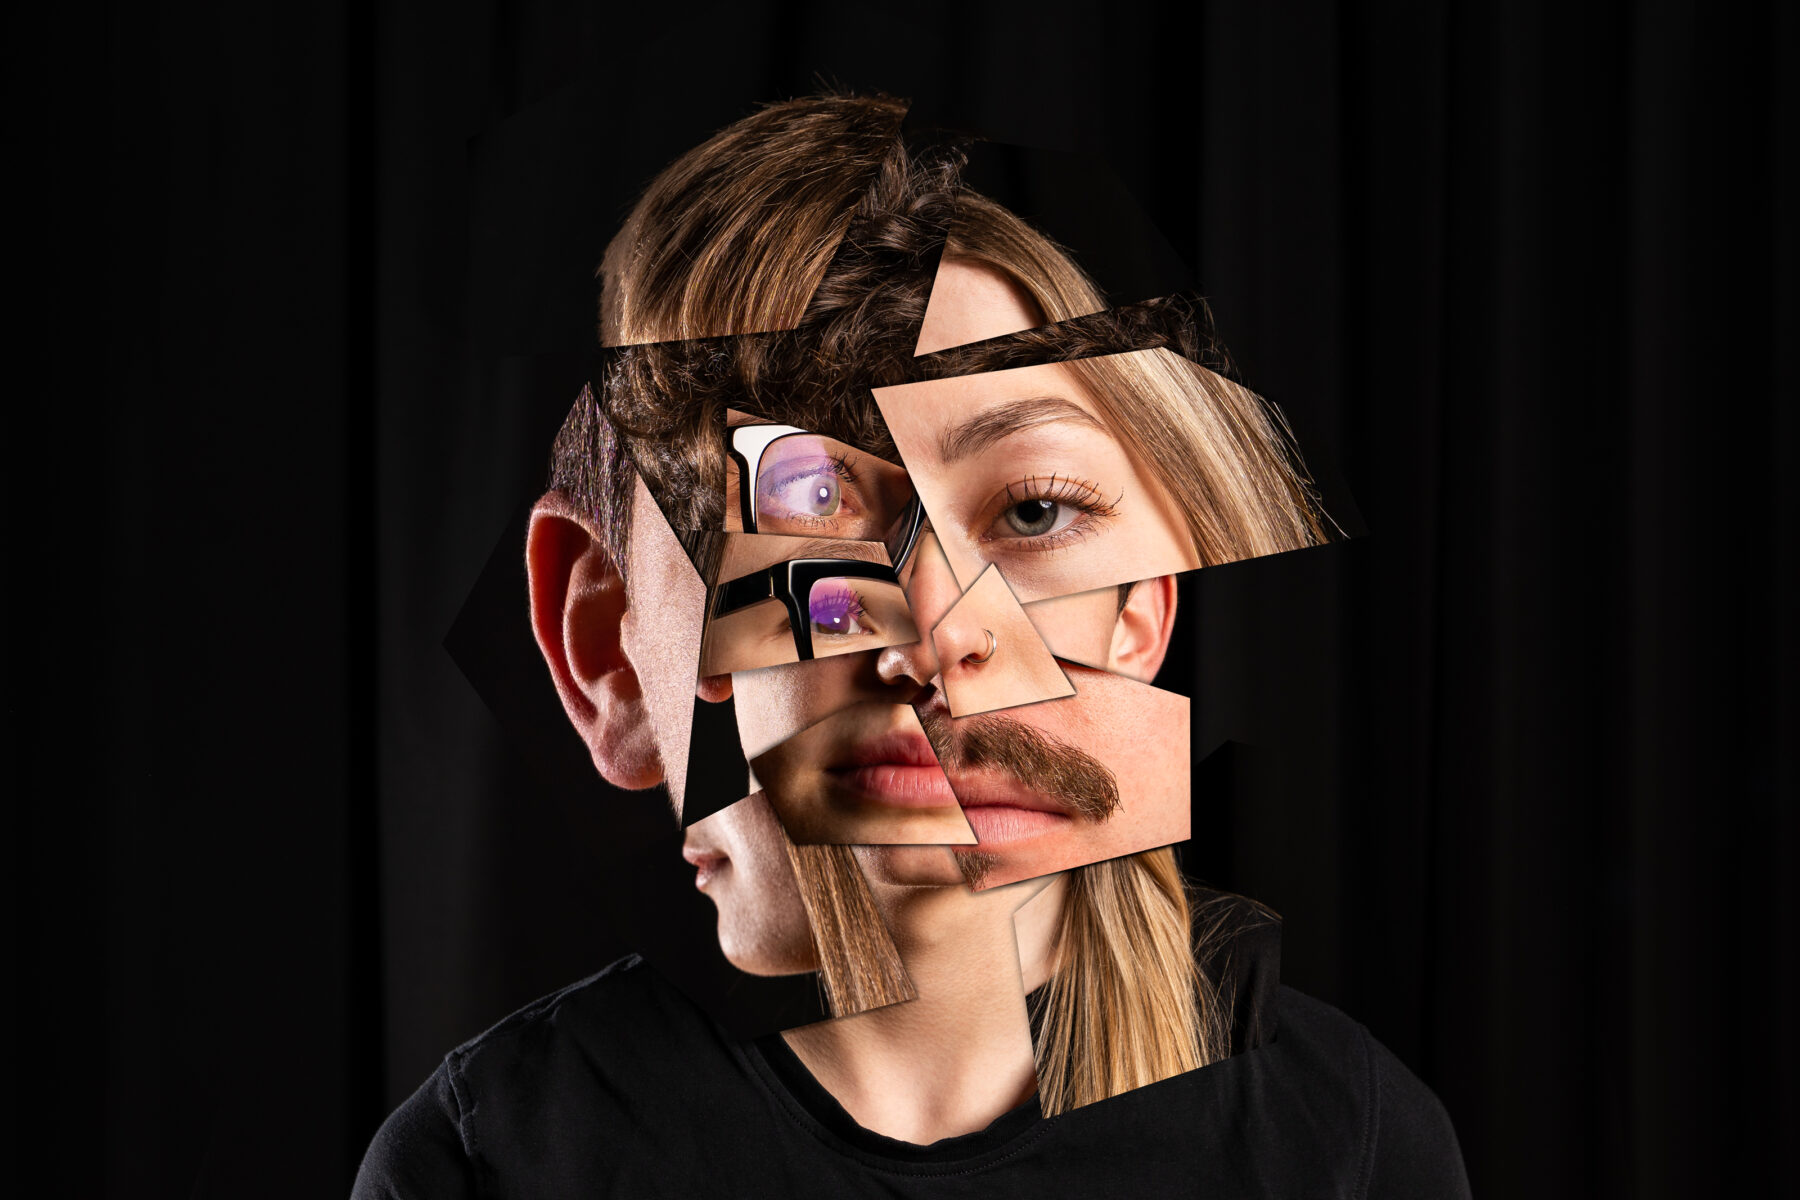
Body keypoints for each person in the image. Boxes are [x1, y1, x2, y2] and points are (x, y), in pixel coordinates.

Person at [354, 92, 1469, 1196]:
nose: (937, 630)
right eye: (804, 505)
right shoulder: (491, 1163)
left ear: (1140, 615)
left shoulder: (1346, 1142)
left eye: (1035, 510)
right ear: (612, 653)